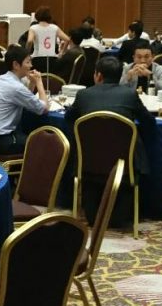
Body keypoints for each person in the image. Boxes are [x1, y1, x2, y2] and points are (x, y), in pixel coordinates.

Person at [65, 55, 156, 224]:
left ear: (98, 75)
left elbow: (69, 118)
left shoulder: (84, 95)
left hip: (89, 162)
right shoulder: (129, 94)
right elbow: (149, 122)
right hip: (124, 164)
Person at [0, 45, 50, 155]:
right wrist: (39, 82)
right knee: (47, 144)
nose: (31, 66)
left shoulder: (0, 79)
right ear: (16, 65)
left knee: (30, 129)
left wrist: (32, 82)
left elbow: (25, 98)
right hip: (4, 140)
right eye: (28, 62)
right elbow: (44, 109)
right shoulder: (16, 87)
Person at [26, 7, 70, 73]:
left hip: (37, 58)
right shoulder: (54, 27)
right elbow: (67, 39)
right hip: (52, 59)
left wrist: (27, 53)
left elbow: (29, 41)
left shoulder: (33, 28)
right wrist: (61, 52)